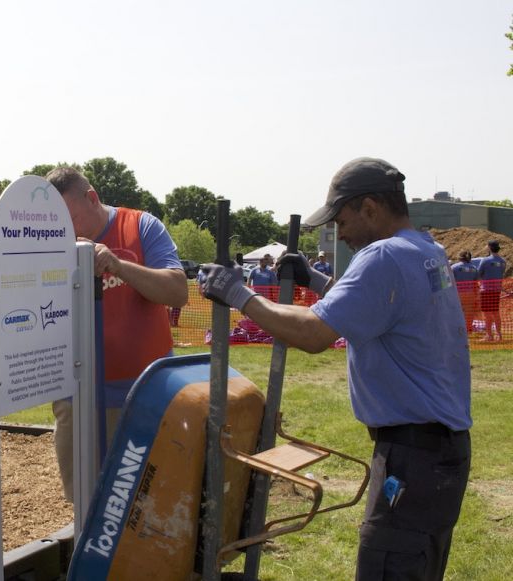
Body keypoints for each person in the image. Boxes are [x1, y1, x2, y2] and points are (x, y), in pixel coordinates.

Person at [200, 157, 471, 580]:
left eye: (342, 220)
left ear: (369, 208)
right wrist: (315, 281)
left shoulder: (383, 256)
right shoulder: (425, 250)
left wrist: (239, 295)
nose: (340, 234)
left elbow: (313, 334)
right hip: (437, 453)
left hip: (413, 456)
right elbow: (381, 308)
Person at [45, 166, 187, 502]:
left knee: (146, 503)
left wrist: (119, 266)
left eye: (71, 220)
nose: (66, 233)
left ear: (92, 198)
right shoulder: (50, 242)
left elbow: (177, 291)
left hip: (144, 395)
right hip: (77, 397)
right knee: (86, 504)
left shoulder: (140, 226)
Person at [477, 240, 506, 342]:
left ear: (489, 247)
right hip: (497, 289)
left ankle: (489, 335)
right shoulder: (503, 261)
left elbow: (479, 274)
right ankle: (499, 335)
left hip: (486, 290)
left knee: (487, 313)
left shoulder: (485, 260)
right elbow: (501, 273)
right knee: (495, 312)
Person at [451, 250, 479, 334]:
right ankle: (468, 330)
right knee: (469, 312)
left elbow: (450, 281)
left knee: (456, 311)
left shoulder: (454, 267)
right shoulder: (474, 268)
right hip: (470, 293)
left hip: (457, 293)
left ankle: (456, 329)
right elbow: (475, 282)